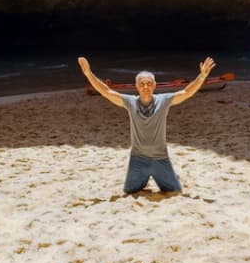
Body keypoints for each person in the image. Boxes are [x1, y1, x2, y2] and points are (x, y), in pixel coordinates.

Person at [78, 56, 216, 194]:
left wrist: (202, 76)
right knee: (130, 191)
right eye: (142, 84)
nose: (145, 87)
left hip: (160, 159)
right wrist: (88, 74)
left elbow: (186, 92)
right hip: (138, 160)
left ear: (154, 85)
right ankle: (143, 180)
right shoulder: (130, 102)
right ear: (137, 86)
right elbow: (106, 92)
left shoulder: (164, 100)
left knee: (175, 192)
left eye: (149, 83)